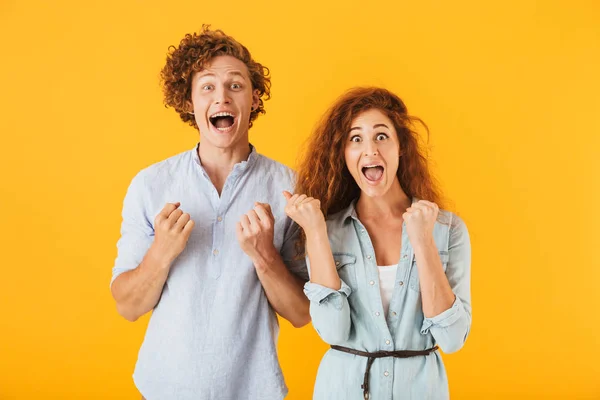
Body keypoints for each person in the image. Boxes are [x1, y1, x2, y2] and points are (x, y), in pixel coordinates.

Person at [110, 25, 310, 400]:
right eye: (207, 87)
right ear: (188, 102)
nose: (222, 96)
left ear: (254, 99)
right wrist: (162, 252)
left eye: (235, 85)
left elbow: (301, 313)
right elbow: (128, 306)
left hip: (255, 389)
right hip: (162, 387)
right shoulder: (151, 184)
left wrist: (264, 256)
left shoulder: (289, 188)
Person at [284, 87, 472, 399]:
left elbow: (452, 339)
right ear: (343, 155)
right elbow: (332, 330)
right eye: (355, 139)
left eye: (381, 136)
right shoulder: (326, 231)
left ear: (400, 148)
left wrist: (423, 241)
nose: (370, 150)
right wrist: (316, 232)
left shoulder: (447, 230)